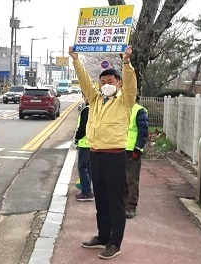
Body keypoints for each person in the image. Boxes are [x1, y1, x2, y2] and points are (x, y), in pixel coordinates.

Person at [69, 45, 136, 260]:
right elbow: (84, 81)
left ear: (119, 84)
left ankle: (115, 243)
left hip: (115, 155)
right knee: (101, 199)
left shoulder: (125, 100)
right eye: (103, 82)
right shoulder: (95, 99)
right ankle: (103, 235)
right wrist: (76, 60)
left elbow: (131, 85)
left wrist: (126, 62)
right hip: (95, 153)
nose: (106, 85)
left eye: (110, 82)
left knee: (115, 200)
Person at [124, 96, 149, 219]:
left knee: (131, 180)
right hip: (119, 149)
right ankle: (122, 205)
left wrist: (138, 148)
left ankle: (131, 206)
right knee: (120, 179)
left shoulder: (139, 110)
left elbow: (143, 131)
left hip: (132, 151)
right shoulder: (121, 108)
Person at [74, 93, 93, 202]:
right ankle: (87, 190)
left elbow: (83, 127)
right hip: (92, 143)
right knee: (89, 168)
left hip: (85, 143)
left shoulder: (87, 109)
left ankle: (86, 192)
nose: (84, 98)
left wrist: (77, 138)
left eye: (85, 96)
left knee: (82, 167)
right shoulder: (96, 109)